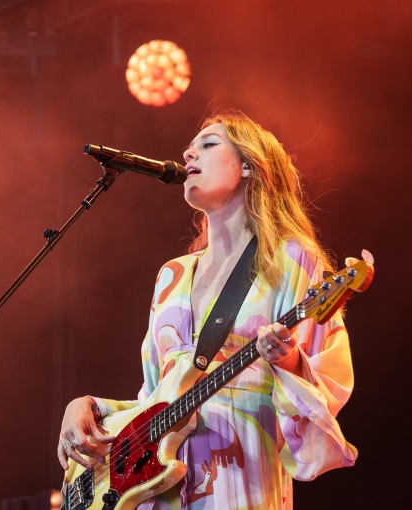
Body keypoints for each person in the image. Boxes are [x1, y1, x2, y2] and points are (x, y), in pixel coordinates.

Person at [57, 110, 357, 509]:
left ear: (249, 165)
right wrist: (90, 408)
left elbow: (328, 381)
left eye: (208, 144)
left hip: (240, 482)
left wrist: (288, 362)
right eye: (190, 147)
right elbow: (154, 398)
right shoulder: (171, 276)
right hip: (156, 493)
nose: (189, 153)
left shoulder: (290, 261)